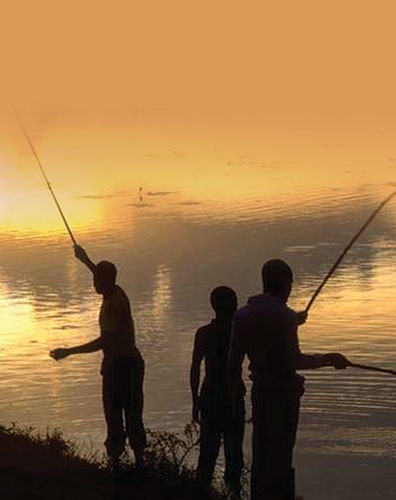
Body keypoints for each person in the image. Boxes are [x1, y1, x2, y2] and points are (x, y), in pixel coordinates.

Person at [228, 259, 350, 500]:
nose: (291, 288)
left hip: (260, 393)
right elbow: (294, 360)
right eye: (291, 284)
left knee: (261, 453)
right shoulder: (283, 317)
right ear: (285, 284)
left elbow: (233, 361)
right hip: (283, 396)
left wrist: (234, 394)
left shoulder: (242, 315)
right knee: (282, 454)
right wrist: (328, 358)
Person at [50, 245, 146, 468]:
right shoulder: (118, 290)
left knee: (115, 416)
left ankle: (117, 464)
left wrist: (68, 352)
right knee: (133, 414)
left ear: (104, 282)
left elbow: (105, 342)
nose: (93, 283)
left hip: (119, 367)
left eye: (96, 281)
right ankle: (138, 462)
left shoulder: (111, 306)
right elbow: (100, 274)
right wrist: (85, 260)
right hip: (132, 363)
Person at [190, 286, 245, 499]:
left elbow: (195, 368)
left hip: (211, 396)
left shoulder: (204, 333)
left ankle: (202, 494)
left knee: (209, 457)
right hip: (229, 399)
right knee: (233, 460)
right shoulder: (238, 332)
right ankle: (232, 495)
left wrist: (195, 400)